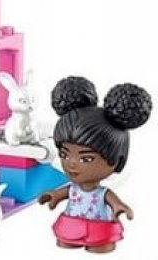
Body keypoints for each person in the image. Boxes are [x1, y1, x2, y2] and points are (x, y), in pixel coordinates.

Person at [38, 76, 152, 253]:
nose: (71, 164)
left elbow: (113, 201)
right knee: (65, 243)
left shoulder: (102, 193)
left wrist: (119, 207)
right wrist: (54, 196)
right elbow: (65, 192)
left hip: (98, 227)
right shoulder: (72, 188)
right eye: (64, 154)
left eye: (86, 159)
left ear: (117, 159)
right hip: (71, 223)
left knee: (100, 246)